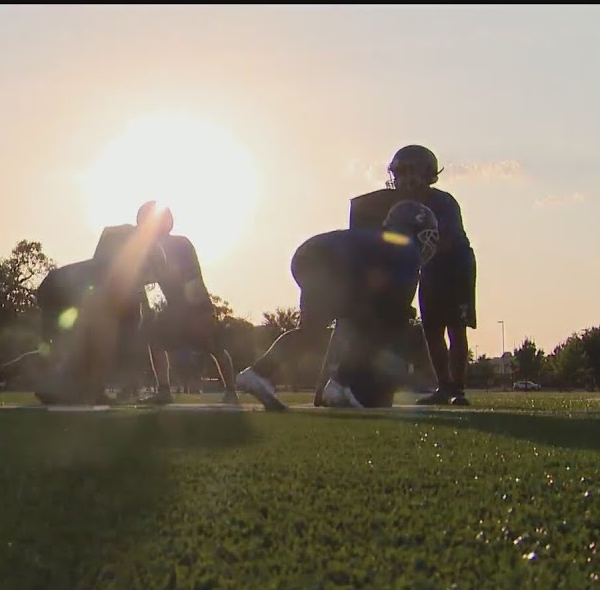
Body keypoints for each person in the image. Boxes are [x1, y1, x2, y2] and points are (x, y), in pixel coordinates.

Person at [235, 201, 439, 411]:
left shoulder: (378, 241)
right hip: (332, 263)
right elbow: (398, 305)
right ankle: (341, 383)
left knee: (312, 333)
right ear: (417, 230)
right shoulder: (407, 249)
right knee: (385, 324)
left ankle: (258, 373)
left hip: (309, 255)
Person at [0, 203, 170, 406]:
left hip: (62, 291)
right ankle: (65, 388)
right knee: (82, 345)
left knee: (58, 351)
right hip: (62, 292)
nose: (147, 281)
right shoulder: (122, 242)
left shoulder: (130, 279)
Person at [351, 145, 476, 406]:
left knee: (455, 326)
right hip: (426, 266)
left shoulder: (442, 202)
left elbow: (448, 240)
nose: (405, 178)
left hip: (454, 265)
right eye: (400, 172)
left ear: (429, 174)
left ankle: (458, 388)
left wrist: (411, 253)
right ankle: (443, 386)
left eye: (412, 171)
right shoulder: (394, 205)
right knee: (431, 329)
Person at [144, 221, 239, 405]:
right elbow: (150, 282)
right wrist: (154, 310)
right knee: (154, 340)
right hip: (169, 307)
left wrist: (200, 308)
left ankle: (231, 390)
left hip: (192, 304)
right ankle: (163, 390)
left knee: (213, 345)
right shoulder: (147, 252)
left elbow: (192, 275)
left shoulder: (181, 244)